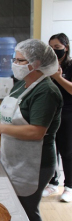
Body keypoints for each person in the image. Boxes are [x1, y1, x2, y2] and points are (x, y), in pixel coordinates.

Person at [0, 39, 62, 221]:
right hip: (15, 157)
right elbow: (12, 114)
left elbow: (36, 131)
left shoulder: (46, 92)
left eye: (20, 60)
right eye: (15, 59)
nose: (14, 63)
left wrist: (1, 128)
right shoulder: (23, 84)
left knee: (27, 210)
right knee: (14, 206)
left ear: (36, 63)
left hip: (35, 163)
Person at [42, 33, 72, 202]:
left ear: (66, 48)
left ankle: (69, 187)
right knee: (51, 150)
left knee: (67, 151)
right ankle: (52, 182)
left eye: (58, 48)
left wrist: (58, 78)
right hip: (49, 113)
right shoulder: (46, 67)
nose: (54, 51)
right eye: (51, 48)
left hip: (67, 113)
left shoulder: (70, 66)